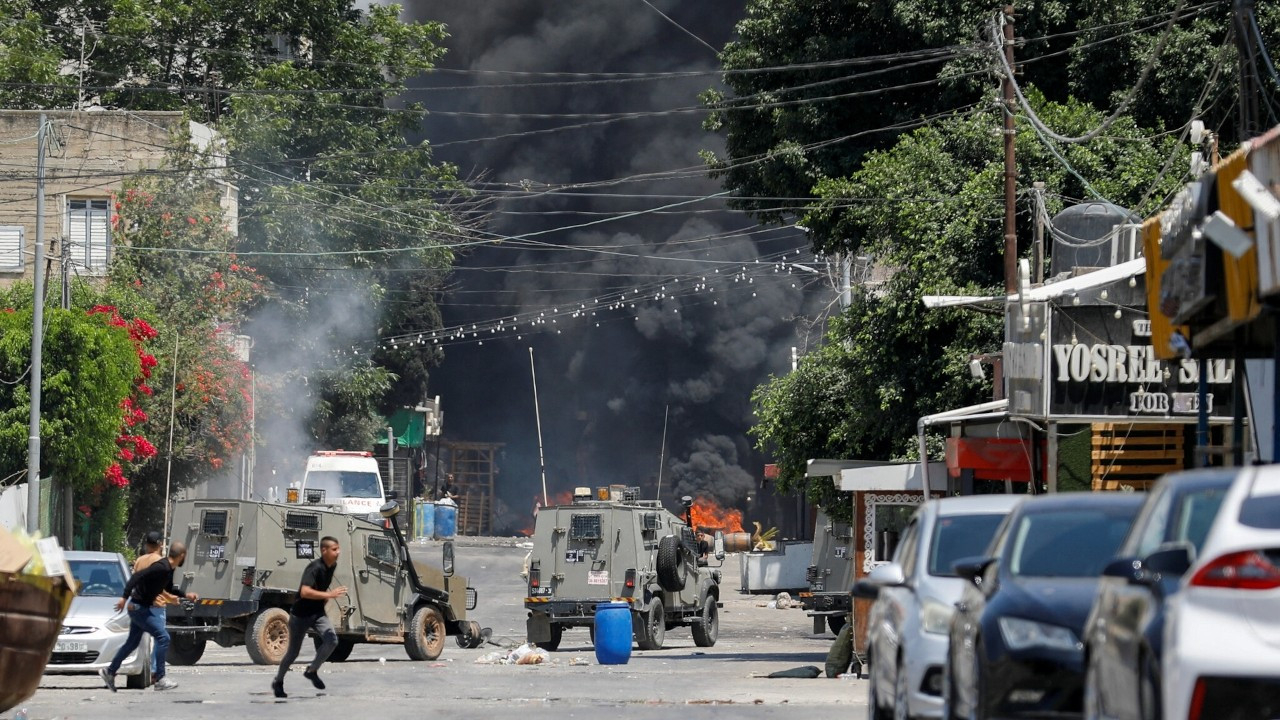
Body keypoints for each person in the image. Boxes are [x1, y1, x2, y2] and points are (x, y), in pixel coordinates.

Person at [100, 541, 198, 692]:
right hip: (139, 608)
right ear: (182, 556)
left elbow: (168, 588)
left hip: (140, 607)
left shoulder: (168, 569)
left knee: (131, 644)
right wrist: (124, 598)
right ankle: (160, 679)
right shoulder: (161, 567)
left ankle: (110, 671)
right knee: (163, 637)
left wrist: (186, 595)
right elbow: (137, 576)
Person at [272, 536, 348, 699]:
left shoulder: (332, 566)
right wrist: (329, 594)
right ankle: (278, 681)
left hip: (318, 614)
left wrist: (324, 597)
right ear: (324, 550)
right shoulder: (314, 568)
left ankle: (312, 670)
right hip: (300, 615)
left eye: (338, 548)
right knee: (293, 654)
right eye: (334, 549)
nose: (338, 552)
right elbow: (305, 591)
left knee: (332, 640)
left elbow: (319, 587)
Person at [132, 531, 176, 682]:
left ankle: (139, 668)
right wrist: (171, 598)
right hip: (157, 606)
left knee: (140, 638)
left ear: (146, 545)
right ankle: (154, 671)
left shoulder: (139, 561)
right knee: (160, 639)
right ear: (160, 544)